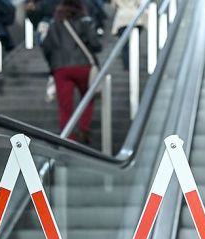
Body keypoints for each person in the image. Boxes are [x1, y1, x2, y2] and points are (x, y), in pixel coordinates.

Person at [41, 0, 102, 143]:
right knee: (87, 98)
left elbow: (46, 47)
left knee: (64, 106)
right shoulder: (85, 21)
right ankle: (84, 129)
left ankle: (68, 138)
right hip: (83, 66)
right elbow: (95, 45)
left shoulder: (54, 24)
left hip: (61, 68)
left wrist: (53, 65)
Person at [112, 0, 141, 69]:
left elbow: (114, 5)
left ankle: (126, 65)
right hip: (135, 17)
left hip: (122, 18)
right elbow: (140, 3)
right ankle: (134, 64)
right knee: (134, 43)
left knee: (124, 44)